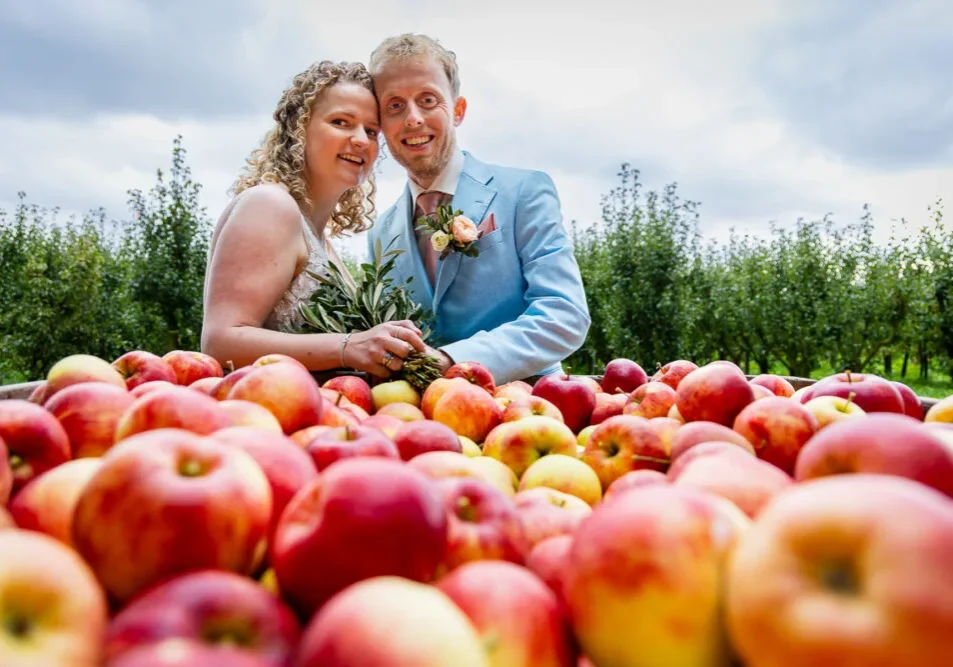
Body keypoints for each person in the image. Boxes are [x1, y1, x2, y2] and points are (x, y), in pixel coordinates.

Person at [365, 34, 591, 385]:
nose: (413, 118)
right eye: (394, 105)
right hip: (417, 413)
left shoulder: (525, 192)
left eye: (428, 100)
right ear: (380, 124)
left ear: (458, 110)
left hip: (528, 403)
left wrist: (453, 361)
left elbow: (565, 315)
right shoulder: (380, 234)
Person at [201, 60, 427, 379]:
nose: (361, 140)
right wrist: (349, 346)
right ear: (300, 129)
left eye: (371, 131)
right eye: (341, 122)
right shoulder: (270, 205)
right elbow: (220, 342)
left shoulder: (323, 243)